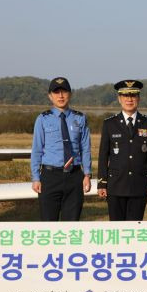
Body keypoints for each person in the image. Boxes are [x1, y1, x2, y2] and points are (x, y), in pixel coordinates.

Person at [97, 80, 147, 221]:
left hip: (139, 185)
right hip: (116, 186)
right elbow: (103, 155)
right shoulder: (109, 124)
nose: (129, 99)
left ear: (139, 98)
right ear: (119, 99)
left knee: (135, 229)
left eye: (133, 95)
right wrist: (102, 183)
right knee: (116, 229)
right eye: (125, 96)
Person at [30, 77, 92, 221]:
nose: (61, 96)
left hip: (74, 176)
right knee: (48, 223)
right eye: (56, 92)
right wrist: (35, 178)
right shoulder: (43, 119)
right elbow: (37, 149)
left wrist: (87, 175)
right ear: (50, 96)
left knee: (71, 224)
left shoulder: (80, 118)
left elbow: (85, 148)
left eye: (64, 92)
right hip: (50, 177)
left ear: (70, 94)